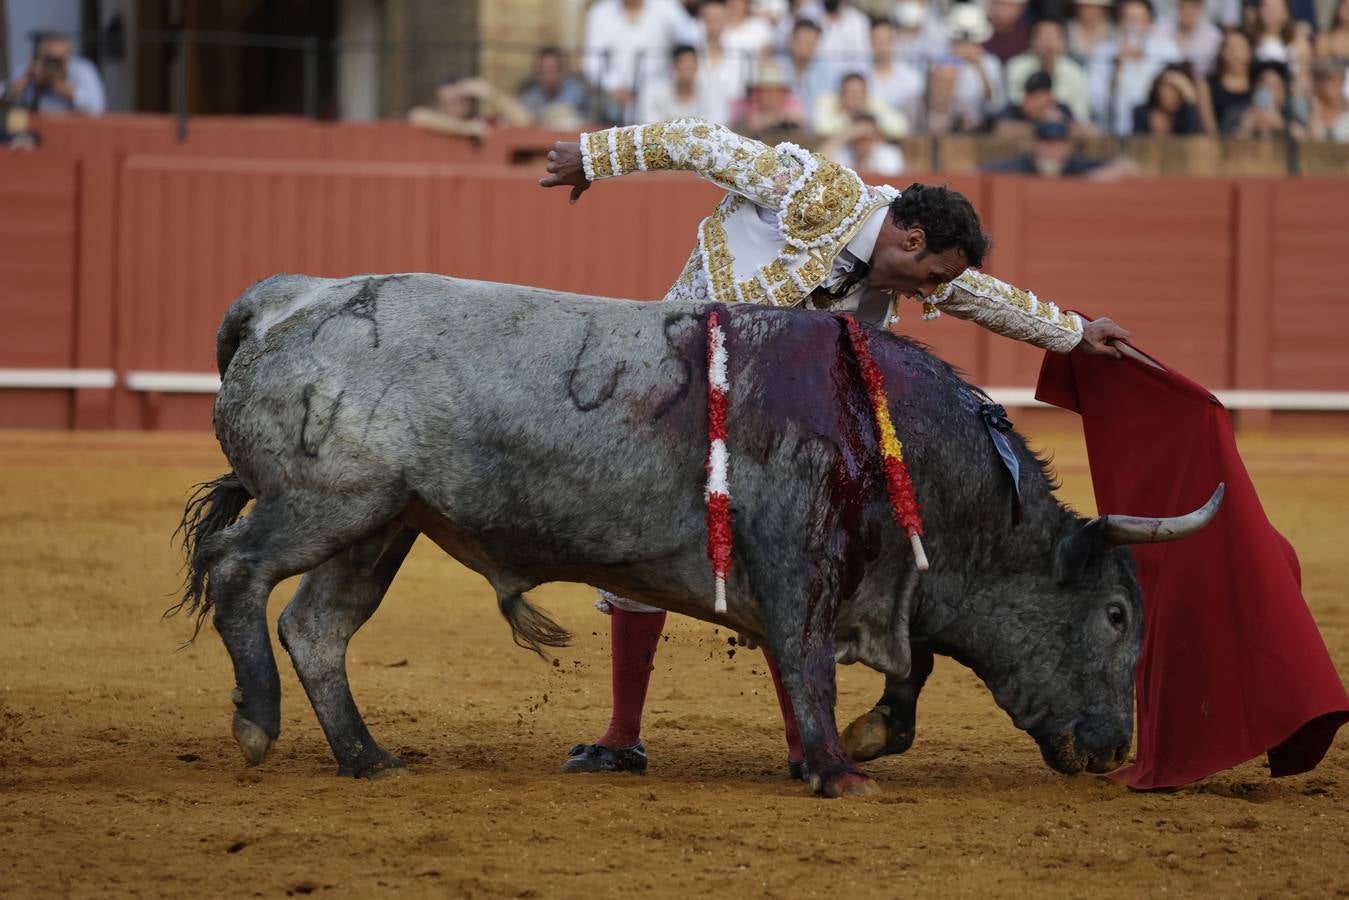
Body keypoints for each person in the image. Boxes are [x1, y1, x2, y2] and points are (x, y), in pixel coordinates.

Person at [538, 116, 1130, 776]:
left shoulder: (911, 263)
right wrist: (593, 156)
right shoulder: (810, 190)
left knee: (787, 565)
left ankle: (801, 746)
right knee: (640, 545)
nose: (928, 295)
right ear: (908, 238)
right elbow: (695, 142)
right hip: (678, 381)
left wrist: (1076, 333)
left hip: (773, 424)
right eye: (928, 275)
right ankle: (622, 736)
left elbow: (984, 297)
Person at [583, 0, 700, 124]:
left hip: (660, 93)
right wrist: (614, 88)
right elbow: (592, 61)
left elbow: (692, 37)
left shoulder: (667, 7)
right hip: (613, 98)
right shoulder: (600, 12)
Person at [1087, 0, 1182, 135]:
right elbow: (1097, 105)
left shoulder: (1168, 51)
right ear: (1119, 23)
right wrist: (1117, 68)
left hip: (1157, 133)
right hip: (1112, 132)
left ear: (1150, 23)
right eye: (1127, 19)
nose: (1132, 25)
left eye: (1138, 19)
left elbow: (1177, 98)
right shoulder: (1102, 54)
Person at [927, 4, 1007, 134]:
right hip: (945, 127)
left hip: (980, 130)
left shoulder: (991, 63)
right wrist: (953, 62)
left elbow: (995, 106)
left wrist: (979, 68)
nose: (966, 45)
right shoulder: (940, 60)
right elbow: (934, 101)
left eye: (972, 41)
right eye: (961, 40)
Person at [983, 117, 1143, 176]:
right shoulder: (1022, 165)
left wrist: (1090, 181)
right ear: (1034, 145)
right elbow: (978, 173)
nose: (1052, 151)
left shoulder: (1075, 165)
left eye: (1057, 144)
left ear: (1067, 147)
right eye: (1046, 143)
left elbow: (1129, 166)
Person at [1006, 20, 1092, 122]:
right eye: (1043, 37)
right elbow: (1014, 104)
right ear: (1032, 41)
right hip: (1024, 125)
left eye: (1054, 38)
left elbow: (1081, 114)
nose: (1048, 44)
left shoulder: (1075, 71)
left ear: (1063, 43)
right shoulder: (1016, 66)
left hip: (1064, 127)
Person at [5, 31, 105, 115]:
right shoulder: (26, 71)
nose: (52, 65)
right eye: (48, 59)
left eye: (57, 60)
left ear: (67, 58)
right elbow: (4, 100)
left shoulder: (82, 70)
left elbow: (97, 107)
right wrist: (26, 78)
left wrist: (57, 86)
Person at [407, 77, 531, 139]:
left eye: (462, 99)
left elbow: (524, 120)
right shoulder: (436, 121)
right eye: (452, 102)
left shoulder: (483, 122)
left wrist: (490, 93)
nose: (459, 104)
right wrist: (465, 129)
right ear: (440, 105)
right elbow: (416, 115)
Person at [639, 44, 730, 122]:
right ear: (674, 66)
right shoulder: (654, 92)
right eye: (684, 67)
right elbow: (649, 122)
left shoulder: (712, 92)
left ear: (697, 66)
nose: (688, 72)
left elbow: (718, 123)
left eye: (691, 66)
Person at [813, 70, 911, 139]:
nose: (856, 98)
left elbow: (901, 127)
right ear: (841, 94)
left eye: (860, 93)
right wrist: (850, 122)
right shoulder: (827, 101)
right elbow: (821, 128)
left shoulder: (874, 104)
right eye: (851, 93)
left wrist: (871, 123)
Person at [729, 59, 809, 141]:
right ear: (757, 93)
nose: (771, 96)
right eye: (766, 91)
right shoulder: (746, 104)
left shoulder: (791, 103)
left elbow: (800, 119)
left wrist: (779, 119)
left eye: (775, 91)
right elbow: (745, 123)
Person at [868, 17, 926, 126]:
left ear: (895, 42)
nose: (882, 46)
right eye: (877, 40)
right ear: (870, 42)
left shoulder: (912, 78)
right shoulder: (858, 75)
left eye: (887, 40)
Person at [517, 47, 591, 129]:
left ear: (562, 71)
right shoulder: (530, 97)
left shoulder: (577, 93)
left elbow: (590, 121)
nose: (549, 76)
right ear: (537, 74)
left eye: (553, 70)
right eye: (544, 71)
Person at [1236, 58, 1309, 137]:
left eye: (1273, 86)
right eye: (1264, 85)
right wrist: (1245, 128)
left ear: (1283, 92)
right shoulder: (1238, 112)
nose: (1268, 91)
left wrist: (1281, 125)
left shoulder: (1291, 113)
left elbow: (1304, 137)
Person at [995, 70, 1078, 138]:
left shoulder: (1061, 109)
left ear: (1049, 97)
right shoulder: (1014, 109)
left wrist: (1060, 121)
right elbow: (1002, 129)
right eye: (1028, 96)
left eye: (1036, 97)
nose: (1029, 102)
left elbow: (1077, 131)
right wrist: (1042, 124)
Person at [1132, 63, 1211, 133]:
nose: (1171, 95)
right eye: (1168, 88)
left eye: (1178, 90)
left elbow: (1194, 137)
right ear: (1157, 89)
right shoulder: (1141, 112)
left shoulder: (1184, 116)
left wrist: (1191, 98)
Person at [824, 111, 907, 173]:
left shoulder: (889, 153)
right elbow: (822, 166)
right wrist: (845, 136)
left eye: (867, 137)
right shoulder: (843, 153)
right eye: (858, 137)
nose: (862, 143)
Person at [1208, 27, 1256, 134]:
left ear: (1249, 51)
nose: (1233, 52)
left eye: (1239, 47)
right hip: (1221, 143)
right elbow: (1209, 128)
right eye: (1228, 47)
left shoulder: (1259, 82)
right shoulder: (1208, 84)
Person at [1162, 0, 1223, 74]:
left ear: (1201, 10)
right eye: (1183, 7)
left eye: (1193, 8)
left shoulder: (1214, 36)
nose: (1188, 12)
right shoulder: (1163, 29)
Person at [1308, 60, 1349, 139]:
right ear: (1318, 84)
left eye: (1341, 81)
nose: (1338, 86)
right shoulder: (1306, 109)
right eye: (1332, 81)